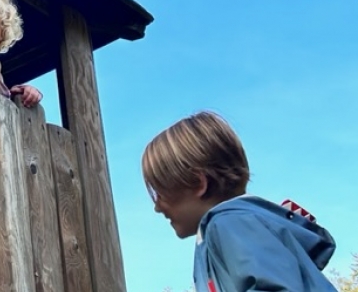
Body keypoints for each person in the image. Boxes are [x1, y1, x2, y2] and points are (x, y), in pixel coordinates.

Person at [141, 111, 337, 292]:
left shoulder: (229, 223)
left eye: (160, 192)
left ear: (198, 183)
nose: (157, 207)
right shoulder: (231, 229)